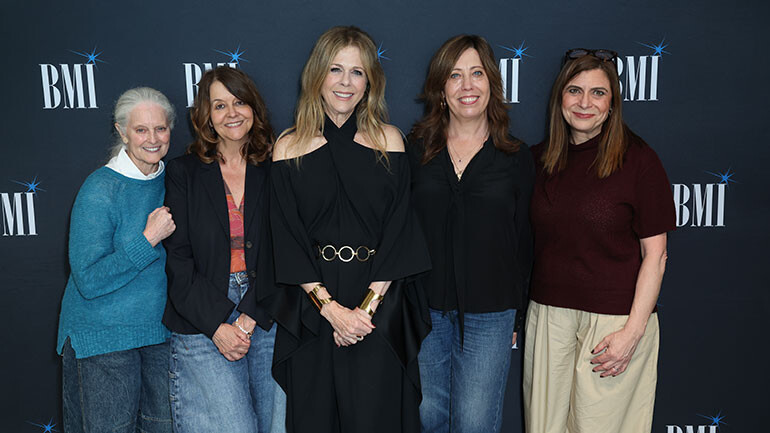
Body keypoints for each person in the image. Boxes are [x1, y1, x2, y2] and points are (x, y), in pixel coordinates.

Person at [267, 26, 431, 433]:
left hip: (378, 304)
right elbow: (285, 236)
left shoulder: (389, 141)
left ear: (370, 81)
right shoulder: (287, 146)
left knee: (377, 418)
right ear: (317, 76)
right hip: (313, 304)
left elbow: (399, 232)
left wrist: (363, 313)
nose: (345, 82)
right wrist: (332, 311)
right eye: (335, 69)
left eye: (357, 72)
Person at [523, 49, 676, 433]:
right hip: (548, 318)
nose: (584, 103)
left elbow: (655, 256)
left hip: (614, 324)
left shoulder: (639, 161)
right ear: (560, 99)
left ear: (613, 104)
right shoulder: (537, 160)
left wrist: (632, 333)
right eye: (575, 91)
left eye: (598, 93)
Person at [407, 35, 535, 433]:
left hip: (491, 311)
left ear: (491, 84)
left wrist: (519, 310)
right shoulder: (415, 151)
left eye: (476, 73)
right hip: (425, 307)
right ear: (441, 89)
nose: (467, 85)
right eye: (455, 75)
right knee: (429, 417)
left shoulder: (516, 156)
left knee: (475, 423)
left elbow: (525, 240)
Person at [162, 66, 285, 433]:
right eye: (219, 106)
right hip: (201, 315)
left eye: (239, 102)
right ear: (206, 117)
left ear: (254, 108)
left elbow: (288, 248)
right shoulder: (183, 172)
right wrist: (218, 325)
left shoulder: (277, 167)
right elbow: (178, 258)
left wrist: (248, 317)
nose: (232, 113)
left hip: (268, 308)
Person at [57, 87, 176, 433]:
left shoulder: (174, 181)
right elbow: (89, 279)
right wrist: (147, 240)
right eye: (141, 130)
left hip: (160, 336)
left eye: (161, 128)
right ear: (122, 131)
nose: (152, 139)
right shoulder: (100, 189)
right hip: (102, 339)